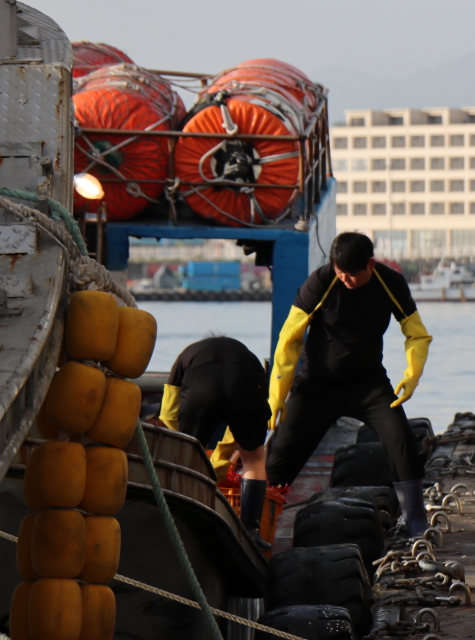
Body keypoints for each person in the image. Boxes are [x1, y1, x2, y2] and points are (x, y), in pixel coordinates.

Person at [265, 232, 434, 536]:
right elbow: (289, 339)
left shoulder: (389, 282)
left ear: (370, 264)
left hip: (367, 386)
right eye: (339, 272)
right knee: (279, 461)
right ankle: (258, 522)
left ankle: (416, 522)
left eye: (351, 274)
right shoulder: (321, 280)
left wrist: (412, 373)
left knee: (402, 441)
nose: (343, 279)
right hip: (316, 387)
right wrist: (277, 393)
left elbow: (416, 333)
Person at [161, 336, 271, 542]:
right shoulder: (248, 355)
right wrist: (224, 454)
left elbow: (167, 412)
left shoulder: (187, 354)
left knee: (189, 462)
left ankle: (185, 525)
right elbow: (260, 400)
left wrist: (189, 442)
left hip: (200, 390)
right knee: (254, 460)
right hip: (244, 384)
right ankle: (251, 532)